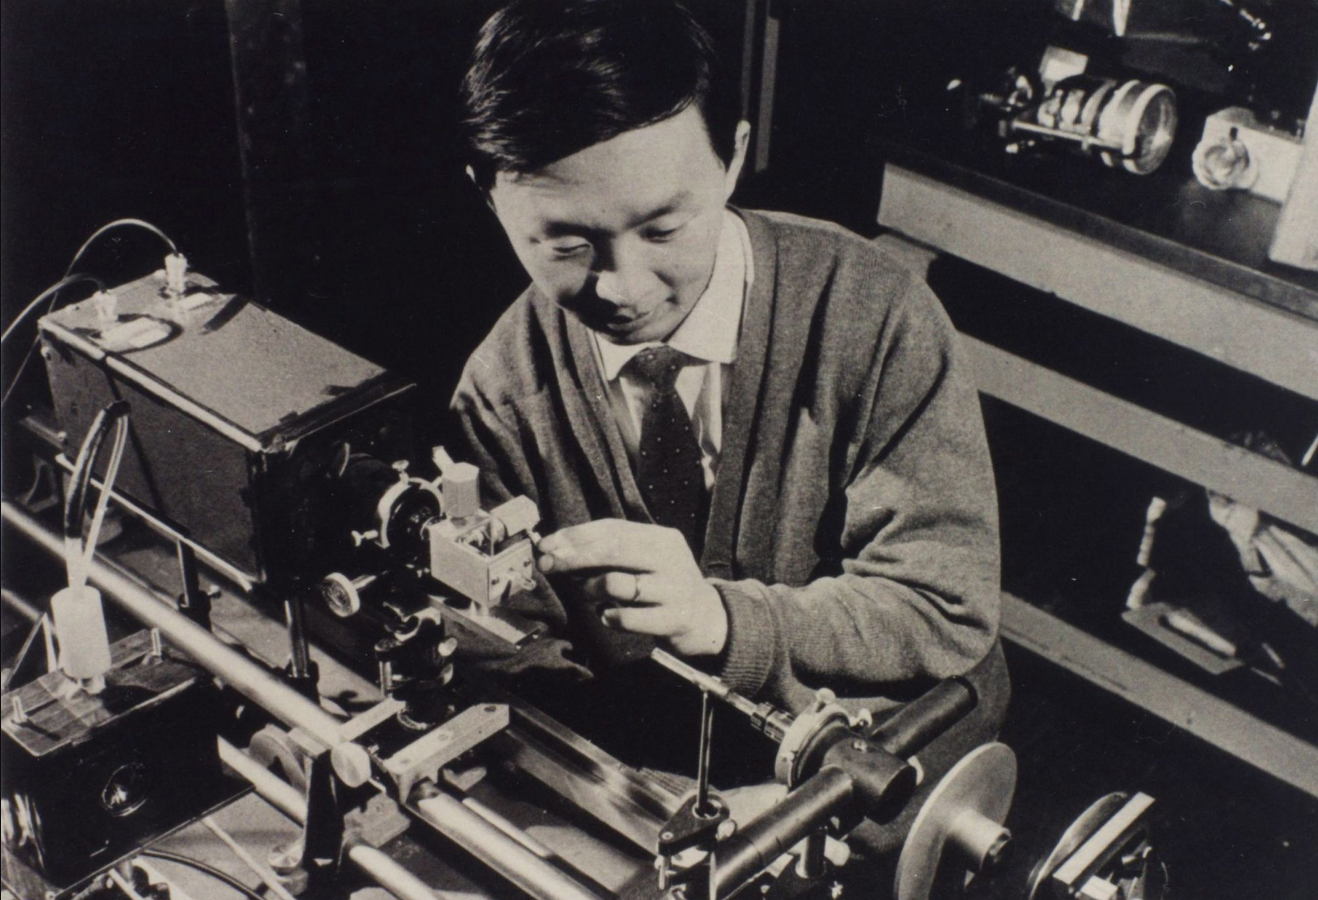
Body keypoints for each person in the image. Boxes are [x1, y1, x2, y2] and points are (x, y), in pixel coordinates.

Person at [451, 0, 1008, 846]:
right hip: (662, 801)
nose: (623, 287)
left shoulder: (874, 315)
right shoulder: (500, 391)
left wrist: (723, 620)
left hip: (884, 785)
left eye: (663, 227)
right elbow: (511, 659)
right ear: (489, 198)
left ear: (734, 157)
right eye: (565, 246)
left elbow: (941, 607)